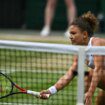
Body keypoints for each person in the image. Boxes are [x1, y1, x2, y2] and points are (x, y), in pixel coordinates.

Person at [39, 11, 105, 105]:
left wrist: (89, 94)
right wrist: (50, 91)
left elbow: (99, 70)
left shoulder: (96, 44)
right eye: (70, 33)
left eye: (73, 33)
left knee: (89, 74)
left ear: (84, 35)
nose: (70, 36)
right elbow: (69, 74)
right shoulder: (80, 52)